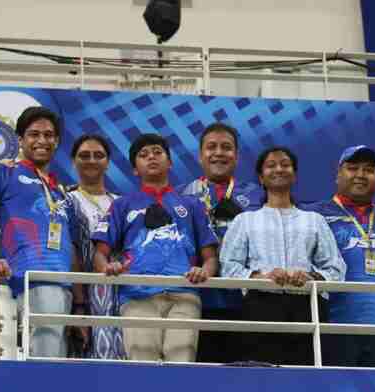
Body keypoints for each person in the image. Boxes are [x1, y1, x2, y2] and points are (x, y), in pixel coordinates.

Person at [0, 106, 80, 358]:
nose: (42, 140)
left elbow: (72, 248)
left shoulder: (61, 191)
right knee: (45, 362)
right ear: (20, 140)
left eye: (48, 135)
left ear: (56, 141)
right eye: (34, 134)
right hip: (32, 280)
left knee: (56, 361)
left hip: (64, 288)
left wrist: (80, 301)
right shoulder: (4, 172)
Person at [92, 134, 218, 362]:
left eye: (158, 152)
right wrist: (107, 267)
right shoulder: (122, 205)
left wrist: (204, 271)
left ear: (170, 163)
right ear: (134, 169)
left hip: (184, 294)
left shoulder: (193, 205)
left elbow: (210, 257)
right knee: (143, 367)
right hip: (137, 295)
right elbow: (100, 253)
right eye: (143, 155)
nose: (151, 157)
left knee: (181, 363)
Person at [220, 147, 345, 365]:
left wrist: (311, 278)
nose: (279, 169)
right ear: (261, 177)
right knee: (262, 376)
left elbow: (336, 268)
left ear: (294, 175)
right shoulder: (245, 220)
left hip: (308, 305)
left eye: (285, 164)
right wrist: (261, 278)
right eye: (271, 165)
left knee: (307, 375)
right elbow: (228, 266)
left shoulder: (314, 220)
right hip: (260, 305)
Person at [308, 145, 375, 368]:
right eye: (352, 168)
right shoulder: (313, 215)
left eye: (368, 170)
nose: (360, 174)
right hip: (333, 325)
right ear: (337, 174)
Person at [182, 123, 262, 363]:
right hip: (195, 298)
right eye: (211, 147)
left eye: (226, 147)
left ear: (236, 156)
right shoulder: (180, 195)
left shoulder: (258, 194)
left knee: (244, 375)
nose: (218, 153)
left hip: (245, 301)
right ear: (200, 155)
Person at [67, 134, 125, 359]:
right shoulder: (65, 200)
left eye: (98, 155)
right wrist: (79, 306)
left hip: (121, 295)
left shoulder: (121, 203)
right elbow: (69, 251)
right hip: (83, 294)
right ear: (73, 161)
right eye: (84, 155)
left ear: (108, 162)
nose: (91, 160)